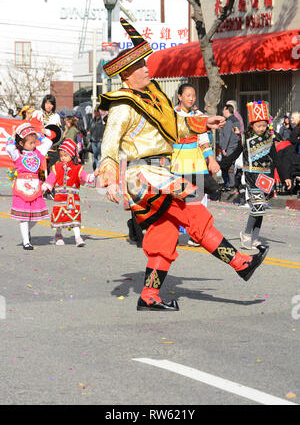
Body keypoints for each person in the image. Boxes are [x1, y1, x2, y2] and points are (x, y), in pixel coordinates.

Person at [97, 18, 269, 312]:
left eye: (145, 63)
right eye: (140, 66)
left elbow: (177, 124)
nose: (146, 68)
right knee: (193, 211)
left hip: (158, 172)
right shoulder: (122, 105)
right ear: (127, 74)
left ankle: (149, 296)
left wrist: (204, 122)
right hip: (143, 174)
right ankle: (240, 262)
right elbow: (109, 145)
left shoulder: (152, 97)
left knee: (164, 233)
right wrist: (110, 179)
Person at [171, 82, 220, 246]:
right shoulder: (172, 115)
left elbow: (204, 139)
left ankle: (196, 234)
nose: (191, 99)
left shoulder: (199, 115)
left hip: (196, 162)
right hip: (177, 162)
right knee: (176, 200)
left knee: (197, 200)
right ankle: (171, 234)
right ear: (179, 97)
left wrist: (211, 159)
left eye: (193, 96)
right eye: (188, 95)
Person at [238, 101, 292, 249]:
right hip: (250, 176)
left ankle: (255, 238)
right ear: (252, 125)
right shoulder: (245, 138)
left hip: (264, 177)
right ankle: (247, 234)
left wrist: (285, 176)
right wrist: (221, 166)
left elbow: (277, 160)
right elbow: (234, 154)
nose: (261, 129)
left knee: (261, 208)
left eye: (264, 125)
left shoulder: (269, 139)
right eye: (258, 126)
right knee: (258, 206)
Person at [5, 122, 55, 250]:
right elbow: (9, 148)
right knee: (24, 217)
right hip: (22, 187)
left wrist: (38, 135)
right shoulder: (17, 154)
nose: (33, 145)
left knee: (36, 217)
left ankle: (26, 231)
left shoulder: (37, 152)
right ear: (21, 143)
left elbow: (49, 143)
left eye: (34, 142)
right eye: (30, 142)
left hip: (35, 186)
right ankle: (26, 241)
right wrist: (12, 135)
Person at [42, 139, 98, 247]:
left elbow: (86, 178)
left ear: (72, 155)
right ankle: (58, 235)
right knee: (60, 217)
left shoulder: (78, 168)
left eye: (65, 155)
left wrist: (94, 175)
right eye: (61, 155)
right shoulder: (56, 167)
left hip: (72, 198)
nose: (62, 158)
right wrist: (44, 188)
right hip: (59, 198)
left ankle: (78, 237)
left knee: (74, 216)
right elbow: (50, 180)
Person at [87, 106, 106, 171]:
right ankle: (95, 168)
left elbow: (104, 129)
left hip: (99, 141)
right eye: (94, 111)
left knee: (98, 156)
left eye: (97, 111)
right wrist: (89, 136)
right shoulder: (92, 120)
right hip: (93, 140)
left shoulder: (102, 121)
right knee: (94, 156)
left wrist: (102, 138)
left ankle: (97, 169)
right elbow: (89, 129)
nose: (95, 112)